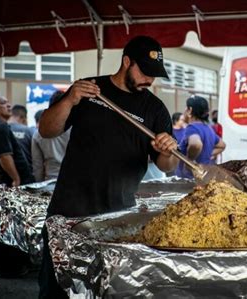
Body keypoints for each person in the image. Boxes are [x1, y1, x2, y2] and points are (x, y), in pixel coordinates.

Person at [38, 35, 179, 298]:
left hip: (118, 215)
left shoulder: (155, 109)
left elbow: (167, 165)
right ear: (127, 61)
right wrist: (69, 100)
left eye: (155, 74)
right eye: (145, 72)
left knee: (107, 289)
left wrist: (166, 151)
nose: (150, 80)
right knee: (55, 288)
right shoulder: (90, 90)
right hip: (69, 210)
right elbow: (47, 130)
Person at [0, 94, 35, 279]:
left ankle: (10, 267)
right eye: (3, 103)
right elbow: (4, 156)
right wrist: (16, 179)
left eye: (8, 103)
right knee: (12, 228)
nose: (9, 105)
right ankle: (13, 268)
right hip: (9, 184)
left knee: (5, 227)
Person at [175, 95, 226, 179]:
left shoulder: (192, 127)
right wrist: (208, 154)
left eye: (186, 108)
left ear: (190, 110)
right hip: (204, 177)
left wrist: (189, 161)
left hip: (189, 180)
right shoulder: (208, 129)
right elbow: (222, 145)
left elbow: (196, 144)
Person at [31, 92, 70, 182]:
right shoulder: (77, 130)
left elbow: (37, 166)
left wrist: (40, 184)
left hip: (50, 182)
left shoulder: (38, 134)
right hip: (73, 182)